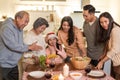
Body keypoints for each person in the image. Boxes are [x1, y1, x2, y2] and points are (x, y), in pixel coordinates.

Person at [0, 11, 42, 80]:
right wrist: (29, 47)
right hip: (5, 64)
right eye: (25, 21)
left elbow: (20, 44)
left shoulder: (20, 28)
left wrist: (30, 46)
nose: (26, 24)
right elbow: (12, 45)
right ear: (18, 18)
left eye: (27, 22)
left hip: (13, 63)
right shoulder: (7, 28)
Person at [96, 12, 120, 79]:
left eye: (105, 21)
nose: (104, 24)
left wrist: (102, 61)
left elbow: (114, 50)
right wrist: (103, 56)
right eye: (101, 22)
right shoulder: (110, 29)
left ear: (110, 20)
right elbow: (109, 46)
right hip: (116, 64)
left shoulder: (115, 30)